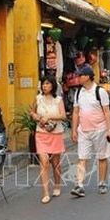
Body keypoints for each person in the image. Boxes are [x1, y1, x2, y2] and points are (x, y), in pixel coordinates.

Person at [70, 65, 110, 197]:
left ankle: (102, 183)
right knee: (82, 157)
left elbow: (107, 111)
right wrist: (74, 130)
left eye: (80, 75)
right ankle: (79, 185)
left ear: (87, 77)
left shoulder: (100, 92)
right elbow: (76, 112)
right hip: (84, 130)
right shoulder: (78, 93)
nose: (78, 78)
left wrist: (109, 130)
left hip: (100, 129)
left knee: (101, 156)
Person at [30, 76, 66, 204]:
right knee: (44, 162)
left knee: (55, 162)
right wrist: (37, 117)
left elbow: (63, 116)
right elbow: (32, 112)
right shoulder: (38, 98)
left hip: (56, 133)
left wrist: (49, 116)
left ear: (52, 86)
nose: (44, 86)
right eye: (43, 84)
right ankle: (45, 192)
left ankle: (57, 184)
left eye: (47, 83)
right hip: (41, 133)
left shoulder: (58, 100)